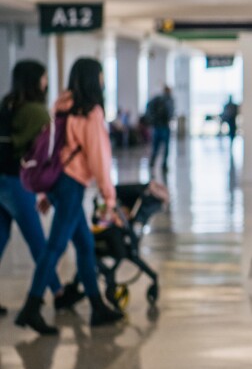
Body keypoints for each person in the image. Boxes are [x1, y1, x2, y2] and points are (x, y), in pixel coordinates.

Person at [15, 58, 124, 335]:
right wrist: (108, 198)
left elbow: (54, 154)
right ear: (93, 79)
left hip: (58, 184)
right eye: (100, 75)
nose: (102, 80)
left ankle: (97, 305)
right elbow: (99, 157)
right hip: (72, 185)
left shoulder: (62, 109)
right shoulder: (91, 113)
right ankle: (32, 306)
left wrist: (47, 194)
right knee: (56, 246)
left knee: (85, 245)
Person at [0, 61, 76, 315]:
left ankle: (57, 290)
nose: (46, 82)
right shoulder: (35, 111)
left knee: (1, 238)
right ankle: (58, 291)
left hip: (1, 179)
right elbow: (45, 151)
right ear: (35, 81)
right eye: (44, 78)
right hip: (16, 181)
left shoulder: (7, 105)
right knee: (38, 241)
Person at [146, 86, 174, 172]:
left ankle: (153, 162)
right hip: (163, 126)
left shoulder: (157, 99)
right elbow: (170, 113)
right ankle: (163, 164)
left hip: (157, 126)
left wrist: (152, 120)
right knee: (165, 148)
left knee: (156, 147)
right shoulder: (168, 100)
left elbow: (148, 106)